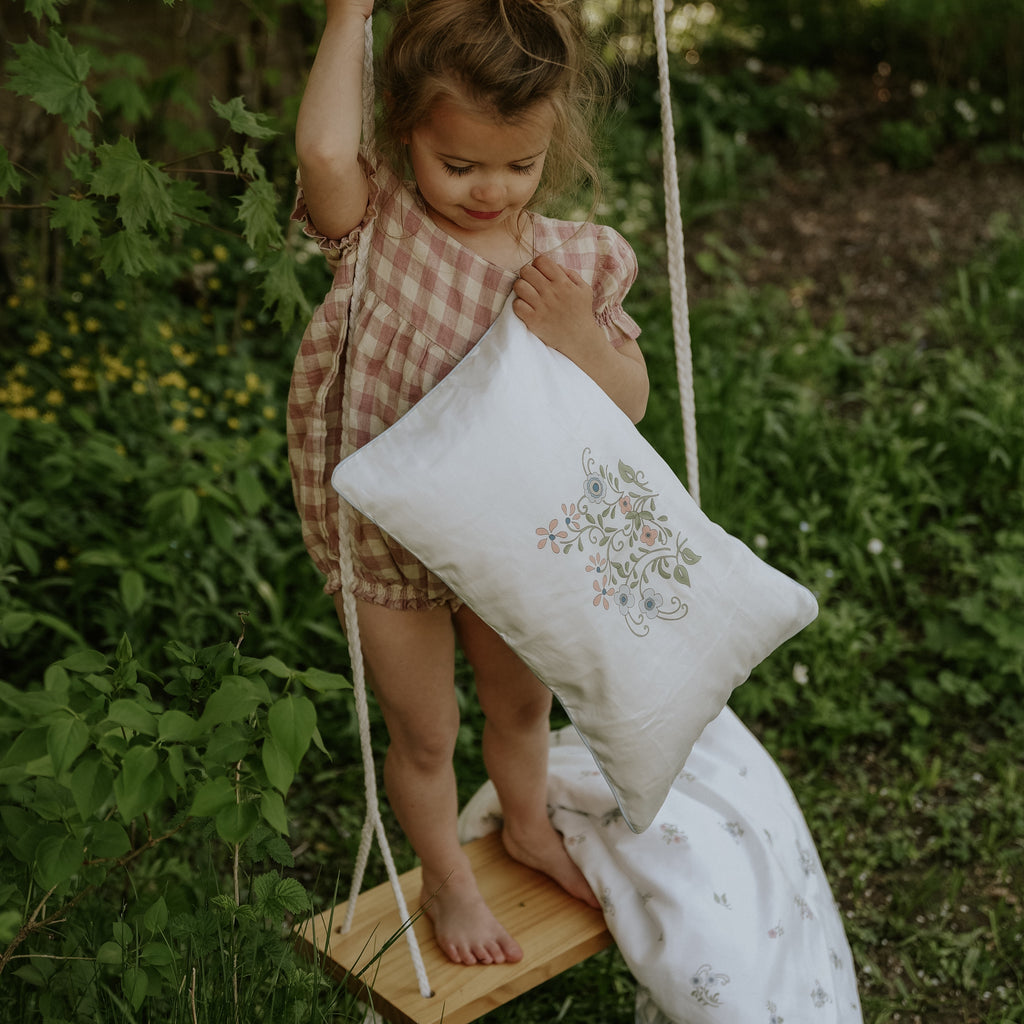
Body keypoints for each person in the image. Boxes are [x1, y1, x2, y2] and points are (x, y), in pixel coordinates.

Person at [289, 0, 649, 967]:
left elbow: (631, 404)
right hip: (386, 533)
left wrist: (582, 338)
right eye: (460, 165)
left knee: (522, 704)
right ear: (404, 134)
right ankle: (447, 876)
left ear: (551, 145)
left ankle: (526, 826)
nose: (492, 190)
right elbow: (324, 155)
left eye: (519, 166)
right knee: (425, 731)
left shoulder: (574, 262)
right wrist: (350, 14)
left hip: (513, 534)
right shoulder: (379, 228)